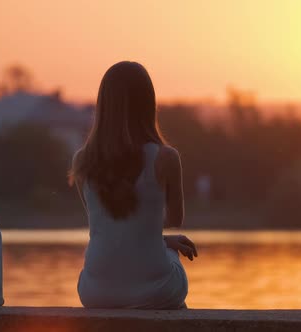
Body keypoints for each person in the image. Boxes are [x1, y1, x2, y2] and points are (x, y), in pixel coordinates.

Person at [68, 61, 197, 309]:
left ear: (103, 105)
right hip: (155, 291)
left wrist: (159, 239)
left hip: (95, 292)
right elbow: (175, 220)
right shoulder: (165, 157)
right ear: (149, 104)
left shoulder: (82, 159)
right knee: (173, 275)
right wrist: (165, 242)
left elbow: (105, 226)